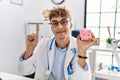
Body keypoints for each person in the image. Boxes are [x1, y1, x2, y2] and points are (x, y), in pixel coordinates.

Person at [19, 6, 95, 80]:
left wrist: (82, 51)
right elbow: (24, 70)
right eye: (55, 23)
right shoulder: (43, 44)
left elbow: (84, 78)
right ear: (51, 28)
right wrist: (30, 48)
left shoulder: (79, 46)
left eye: (64, 22)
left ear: (71, 25)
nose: (59, 27)